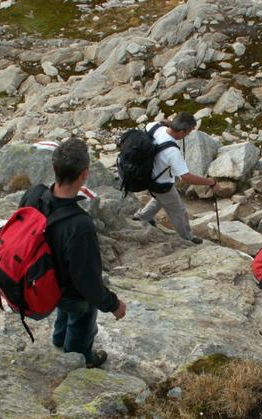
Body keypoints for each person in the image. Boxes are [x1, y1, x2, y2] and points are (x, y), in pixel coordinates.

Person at [19, 138, 126, 368]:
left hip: (42, 279)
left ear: (54, 167)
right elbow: (87, 281)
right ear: (84, 174)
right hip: (69, 291)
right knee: (82, 314)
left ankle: (59, 338)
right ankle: (79, 359)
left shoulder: (34, 195)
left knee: (65, 306)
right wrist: (113, 304)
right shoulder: (79, 225)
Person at [133, 112, 218, 244]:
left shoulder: (153, 126)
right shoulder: (172, 152)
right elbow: (186, 177)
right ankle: (187, 238)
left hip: (146, 175)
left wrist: (171, 122)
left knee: (160, 199)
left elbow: (163, 122)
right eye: (188, 132)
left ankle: (142, 217)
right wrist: (210, 182)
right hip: (161, 184)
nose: (188, 135)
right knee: (179, 211)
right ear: (182, 131)